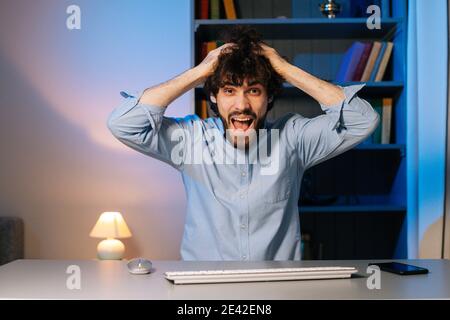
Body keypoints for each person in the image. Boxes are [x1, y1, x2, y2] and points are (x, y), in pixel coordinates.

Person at [107, 26, 379, 260]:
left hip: (278, 291)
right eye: (228, 90)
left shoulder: (293, 139)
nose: (242, 105)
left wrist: (282, 68)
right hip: (205, 292)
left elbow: (363, 119)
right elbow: (124, 124)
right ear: (213, 97)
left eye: (254, 90)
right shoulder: (191, 141)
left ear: (269, 98)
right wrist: (201, 71)